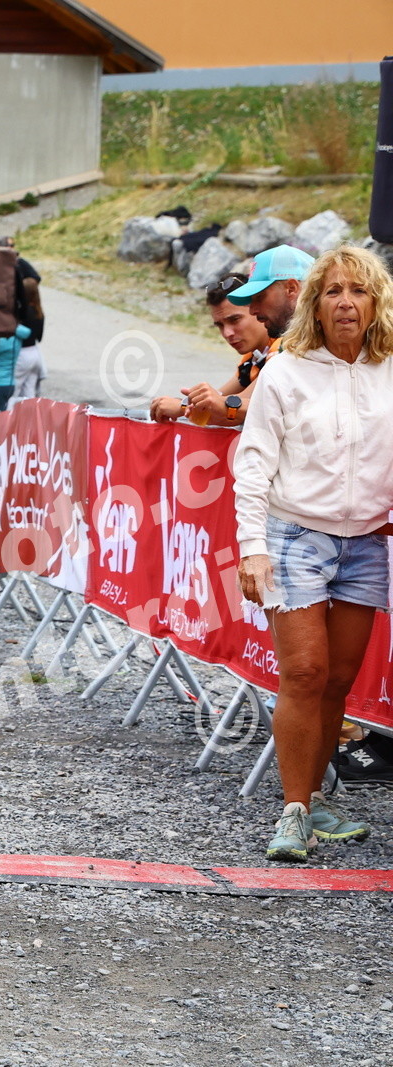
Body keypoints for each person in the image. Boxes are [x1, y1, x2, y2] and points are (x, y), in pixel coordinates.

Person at [234, 246, 393, 862]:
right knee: (303, 673)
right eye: (333, 291)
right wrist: (252, 550)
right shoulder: (286, 370)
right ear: (314, 305)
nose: (346, 302)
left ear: (376, 302)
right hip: (294, 537)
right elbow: (253, 465)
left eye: (358, 290)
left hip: (367, 543)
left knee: (338, 682)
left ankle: (319, 796)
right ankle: (293, 811)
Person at [150, 272, 279, 425]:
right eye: (220, 325)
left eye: (234, 320)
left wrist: (182, 406)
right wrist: (190, 402)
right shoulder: (252, 359)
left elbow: (240, 407)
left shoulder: (284, 348)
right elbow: (220, 398)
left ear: (256, 310)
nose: (227, 333)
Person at [228, 244, 315, 340]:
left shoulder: (327, 339)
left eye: (260, 297)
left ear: (291, 288)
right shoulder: (300, 343)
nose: (252, 311)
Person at [12, 276, 46, 399]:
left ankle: (9, 411)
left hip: (22, 353)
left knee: (14, 391)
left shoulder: (22, 312)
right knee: (29, 392)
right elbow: (39, 337)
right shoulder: (39, 313)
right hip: (35, 353)